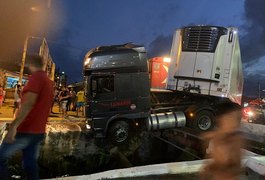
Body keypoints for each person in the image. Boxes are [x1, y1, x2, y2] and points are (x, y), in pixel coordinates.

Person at [0, 55, 54, 180]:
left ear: (31, 64)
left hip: (25, 129)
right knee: (30, 163)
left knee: (0, 158)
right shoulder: (47, 81)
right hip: (38, 131)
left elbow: (28, 103)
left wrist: (14, 127)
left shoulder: (36, 78)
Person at [200, 102, 243, 180]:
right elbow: (211, 159)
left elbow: (236, 167)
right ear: (220, 119)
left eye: (238, 118)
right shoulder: (214, 138)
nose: (236, 123)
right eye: (231, 117)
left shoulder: (236, 140)